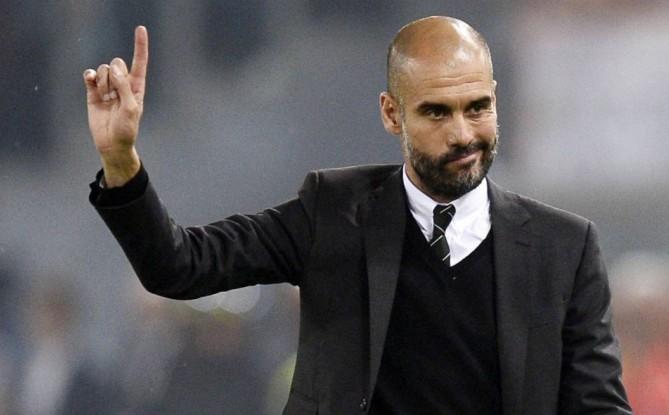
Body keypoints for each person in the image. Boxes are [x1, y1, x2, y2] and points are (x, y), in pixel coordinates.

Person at [84, 16, 632, 414]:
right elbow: (179, 266)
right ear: (392, 114)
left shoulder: (565, 248)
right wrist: (120, 160)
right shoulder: (333, 212)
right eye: (436, 112)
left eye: (477, 108)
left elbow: (598, 406)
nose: (463, 134)